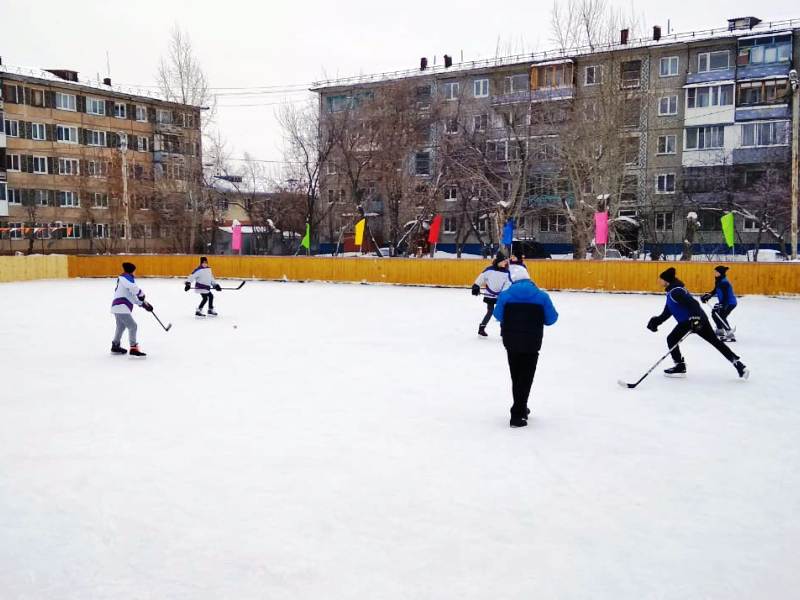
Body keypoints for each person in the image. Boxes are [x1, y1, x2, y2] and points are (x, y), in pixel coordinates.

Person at [647, 267, 748, 379]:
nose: (658, 281)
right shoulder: (673, 291)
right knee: (715, 342)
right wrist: (656, 321)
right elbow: (668, 311)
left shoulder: (676, 291)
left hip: (690, 321)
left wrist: (695, 320)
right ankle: (739, 366)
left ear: (667, 281)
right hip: (698, 320)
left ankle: (680, 367)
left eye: (660, 279)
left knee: (671, 339)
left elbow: (693, 303)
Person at [493, 264, 558, 428]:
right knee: (526, 378)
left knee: (516, 376)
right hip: (532, 343)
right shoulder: (541, 296)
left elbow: (498, 315)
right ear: (528, 278)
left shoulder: (505, 296)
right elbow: (551, 319)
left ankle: (520, 408)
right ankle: (517, 413)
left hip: (511, 342)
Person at [110, 262, 152, 357]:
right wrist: (141, 294)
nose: (135, 273)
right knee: (133, 326)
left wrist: (144, 305)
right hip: (122, 306)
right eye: (134, 271)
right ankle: (133, 348)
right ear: (131, 271)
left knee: (121, 327)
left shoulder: (123, 280)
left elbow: (131, 296)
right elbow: (133, 288)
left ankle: (115, 345)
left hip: (117, 306)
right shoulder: (126, 277)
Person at [471, 252, 511, 337]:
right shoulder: (489, 270)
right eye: (504, 261)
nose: (506, 263)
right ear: (499, 261)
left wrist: (504, 292)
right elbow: (481, 278)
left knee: (503, 312)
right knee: (490, 312)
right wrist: (476, 286)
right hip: (490, 294)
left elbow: (507, 284)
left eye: (506, 261)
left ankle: (503, 331)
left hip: (501, 296)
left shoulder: (507, 272)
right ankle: (481, 329)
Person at [701, 265, 738, 342]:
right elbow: (715, 290)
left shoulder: (724, 282)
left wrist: (722, 305)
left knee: (721, 316)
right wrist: (708, 295)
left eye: (716, 272)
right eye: (714, 271)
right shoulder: (719, 280)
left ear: (720, 273)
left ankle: (730, 334)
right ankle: (720, 330)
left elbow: (726, 296)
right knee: (714, 313)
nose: (714, 273)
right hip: (725, 302)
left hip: (730, 302)